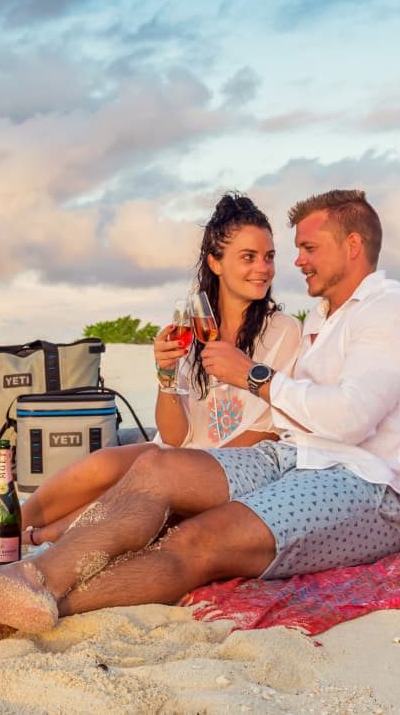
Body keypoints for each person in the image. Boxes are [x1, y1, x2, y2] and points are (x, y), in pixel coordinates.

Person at [0, 188, 400, 645]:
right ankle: (23, 578)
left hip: (367, 486)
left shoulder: (390, 310)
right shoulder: (327, 317)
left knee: (193, 542)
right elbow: (220, 430)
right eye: (289, 249)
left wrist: (253, 376)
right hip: (297, 458)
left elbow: (349, 418)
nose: (293, 261)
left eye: (305, 247)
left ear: (352, 246)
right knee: (155, 470)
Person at [18, 193, 301, 545]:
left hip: (236, 462)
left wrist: (196, 464)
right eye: (249, 257)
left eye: (269, 257)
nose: (263, 268)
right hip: (183, 451)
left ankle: (44, 538)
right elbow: (173, 436)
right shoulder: (194, 328)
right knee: (103, 464)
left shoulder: (284, 330)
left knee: (132, 490)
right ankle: (9, 525)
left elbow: (269, 430)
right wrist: (166, 376)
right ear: (215, 262)